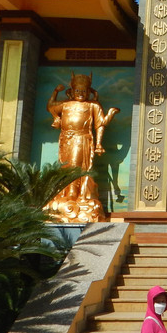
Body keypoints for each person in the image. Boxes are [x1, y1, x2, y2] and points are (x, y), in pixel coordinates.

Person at [46, 73, 120, 222]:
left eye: (84, 91)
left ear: (89, 92)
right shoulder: (65, 104)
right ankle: (66, 193)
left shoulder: (92, 106)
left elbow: (99, 125)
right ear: (72, 91)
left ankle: (75, 193)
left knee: (76, 165)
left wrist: (98, 143)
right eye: (78, 91)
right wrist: (55, 92)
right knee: (65, 166)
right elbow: (51, 107)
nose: (81, 94)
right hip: (66, 139)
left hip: (82, 138)